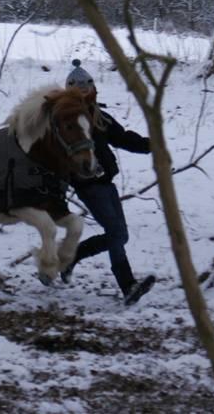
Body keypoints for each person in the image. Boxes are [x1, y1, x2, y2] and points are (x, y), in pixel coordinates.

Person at [62, 59, 156, 306]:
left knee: (119, 235)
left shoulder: (99, 116)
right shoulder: (65, 119)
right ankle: (127, 286)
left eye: (88, 89)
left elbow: (122, 138)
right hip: (88, 184)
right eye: (78, 91)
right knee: (117, 234)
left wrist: (152, 144)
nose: (85, 94)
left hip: (107, 182)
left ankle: (71, 258)